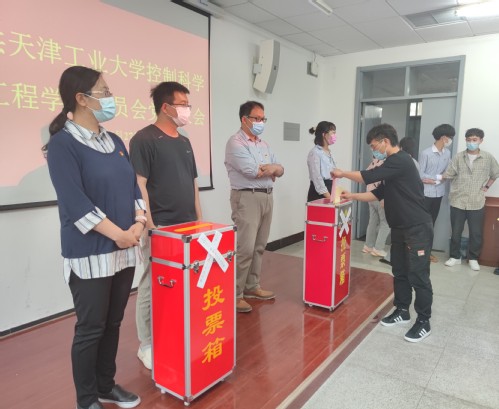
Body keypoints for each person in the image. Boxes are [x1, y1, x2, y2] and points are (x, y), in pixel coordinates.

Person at [45, 66, 143, 409]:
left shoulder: (115, 141)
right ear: (81, 99)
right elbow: (75, 204)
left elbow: (133, 188)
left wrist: (139, 223)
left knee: (113, 322)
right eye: (104, 91)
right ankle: (86, 399)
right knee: (91, 328)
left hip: (124, 248)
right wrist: (119, 235)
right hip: (90, 252)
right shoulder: (62, 145)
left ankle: (105, 385)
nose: (110, 97)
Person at [332, 123, 434, 343]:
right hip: (399, 227)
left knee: (418, 275)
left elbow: (368, 176)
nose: (373, 150)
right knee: (400, 271)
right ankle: (402, 310)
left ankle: (424, 321)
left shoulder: (400, 160)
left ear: (385, 141)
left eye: (373, 146)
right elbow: (378, 193)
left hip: (416, 227)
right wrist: (352, 196)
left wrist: (342, 173)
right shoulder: (393, 166)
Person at [129, 81, 202, 370]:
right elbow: (139, 184)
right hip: (160, 225)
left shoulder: (184, 141)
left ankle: (175, 331)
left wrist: (200, 221)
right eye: (182, 104)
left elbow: (193, 184)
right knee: (150, 284)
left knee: (184, 282)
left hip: (188, 226)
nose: (187, 110)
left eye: (187, 104)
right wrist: (149, 224)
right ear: (165, 107)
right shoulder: (144, 139)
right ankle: (146, 344)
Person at [225, 101, 284, 313]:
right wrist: (271, 169)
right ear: (244, 119)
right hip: (246, 197)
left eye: (263, 119)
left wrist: (273, 168)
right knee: (245, 248)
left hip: (267, 196)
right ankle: (235, 294)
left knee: (259, 246)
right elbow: (251, 171)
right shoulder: (235, 143)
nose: (260, 122)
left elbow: (281, 169)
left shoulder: (263, 144)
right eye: (256, 118)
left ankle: (252, 286)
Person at [443, 128, 499, 271]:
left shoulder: (487, 158)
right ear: (465, 140)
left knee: (476, 233)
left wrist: (486, 187)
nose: (471, 142)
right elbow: (449, 174)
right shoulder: (458, 157)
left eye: (474, 140)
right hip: (458, 200)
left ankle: (473, 258)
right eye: (469, 140)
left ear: (481, 141)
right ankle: (455, 257)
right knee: (456, 232)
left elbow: (495, 174)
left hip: (476, 202)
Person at [419, 124, 456, 262]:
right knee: (422, 223)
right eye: (450, 137)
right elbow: (420, 175)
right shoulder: (426, 153)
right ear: (443, 137)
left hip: (439, 193)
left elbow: (447, 172)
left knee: (431, 223)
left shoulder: (447, 153)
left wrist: (439, 178)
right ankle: (419, 252)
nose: (451, 140)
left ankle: (427, 252)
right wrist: (439, 177)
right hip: (425, 193)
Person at [362, 156, 390, 257]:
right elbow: (386, 183)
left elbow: (364, 176)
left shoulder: (374, 162)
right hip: (379, 197)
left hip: (370, 195)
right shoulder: (386, 164)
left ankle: (368, 246)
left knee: (372, 221)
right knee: (386, 223)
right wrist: (383, 198)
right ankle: (378, 248)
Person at [306, 121, 337, 201]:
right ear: (324, 134)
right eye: (333, 133)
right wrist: (329, 197)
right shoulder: (315, 153)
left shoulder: (329, 152)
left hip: (330, 190)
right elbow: (317, 178)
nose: (335, 136)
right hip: (319, 193)